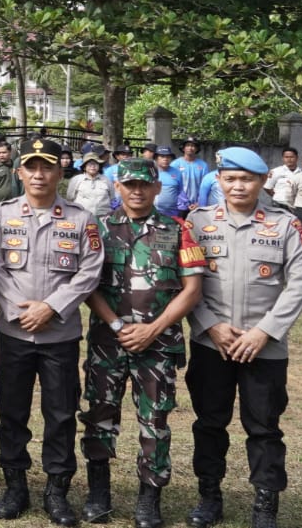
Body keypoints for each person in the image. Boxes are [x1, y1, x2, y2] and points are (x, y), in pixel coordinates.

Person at [183, 147, 302, 528]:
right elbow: (187, 282)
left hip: (266, 349)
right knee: (209, 423)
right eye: (230, 178)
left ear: (263, 181)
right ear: (219, 180)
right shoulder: (197, 222)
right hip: (213, 344)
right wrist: (210, 325)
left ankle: (265, 506)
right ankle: (209, 497)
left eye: (247, 179)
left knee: (264, 428)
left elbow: (301, 283)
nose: (238, 186)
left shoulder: (287, 225)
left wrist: (264, 332)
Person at [77, 157, 204, 528]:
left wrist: (154, 328)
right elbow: (88, 287)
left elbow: (192, 289)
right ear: (117, 187)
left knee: (155, 421)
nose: (136, 191)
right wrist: (118, 324)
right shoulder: (98, 229)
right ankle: (98, 492)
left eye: (143, 185)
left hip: (158, 346)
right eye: (129, 185)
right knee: (99, 415)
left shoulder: (178, 230)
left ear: (157, 188)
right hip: (108, 342)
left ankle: (150, 498)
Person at [0, 137, 104, 526]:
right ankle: (15, 485)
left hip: (61, 335)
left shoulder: (82, 219)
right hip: (15, 332)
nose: (39, 174)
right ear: (20, 172)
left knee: (61, 413)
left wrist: (51, 307)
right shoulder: (0, 216)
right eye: (32, 167)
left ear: (60, 172)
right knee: (12, 411)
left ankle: (57, 489)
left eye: (47, 167)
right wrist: (21, 312)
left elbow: (90, 272)